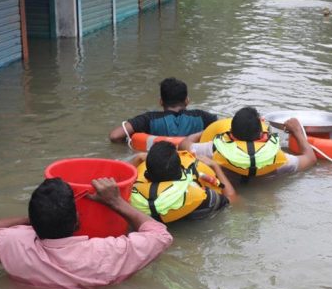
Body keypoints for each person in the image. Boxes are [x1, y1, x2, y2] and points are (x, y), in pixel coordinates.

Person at [0, 177, 173, 289]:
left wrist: (29, 220)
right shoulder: (104, 253)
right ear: (77, 221)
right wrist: (116, 202)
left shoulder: (10, 243)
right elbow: (160, 236)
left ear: (33, 222)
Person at [179, 106, 317, 181]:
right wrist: (297, 131)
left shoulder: (213, 149)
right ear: (261, 134)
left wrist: (206, 132)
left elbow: (184, 145)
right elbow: (310, 159)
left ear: (230, 133)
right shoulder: (279, 159)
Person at [129, 141, 238, 223]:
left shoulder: (132, 198)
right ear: (182, 171)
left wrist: (137, 159)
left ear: (147, 177)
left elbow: (123, 182)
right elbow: (232, 200)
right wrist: (215, 166)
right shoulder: (205, 197)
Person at [109, 77, 218, 143]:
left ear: (161, 101)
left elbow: (115, 136)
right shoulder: (203, 117)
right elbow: (225, 129)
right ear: (187, 101)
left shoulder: (148, 119)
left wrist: (133, 142)